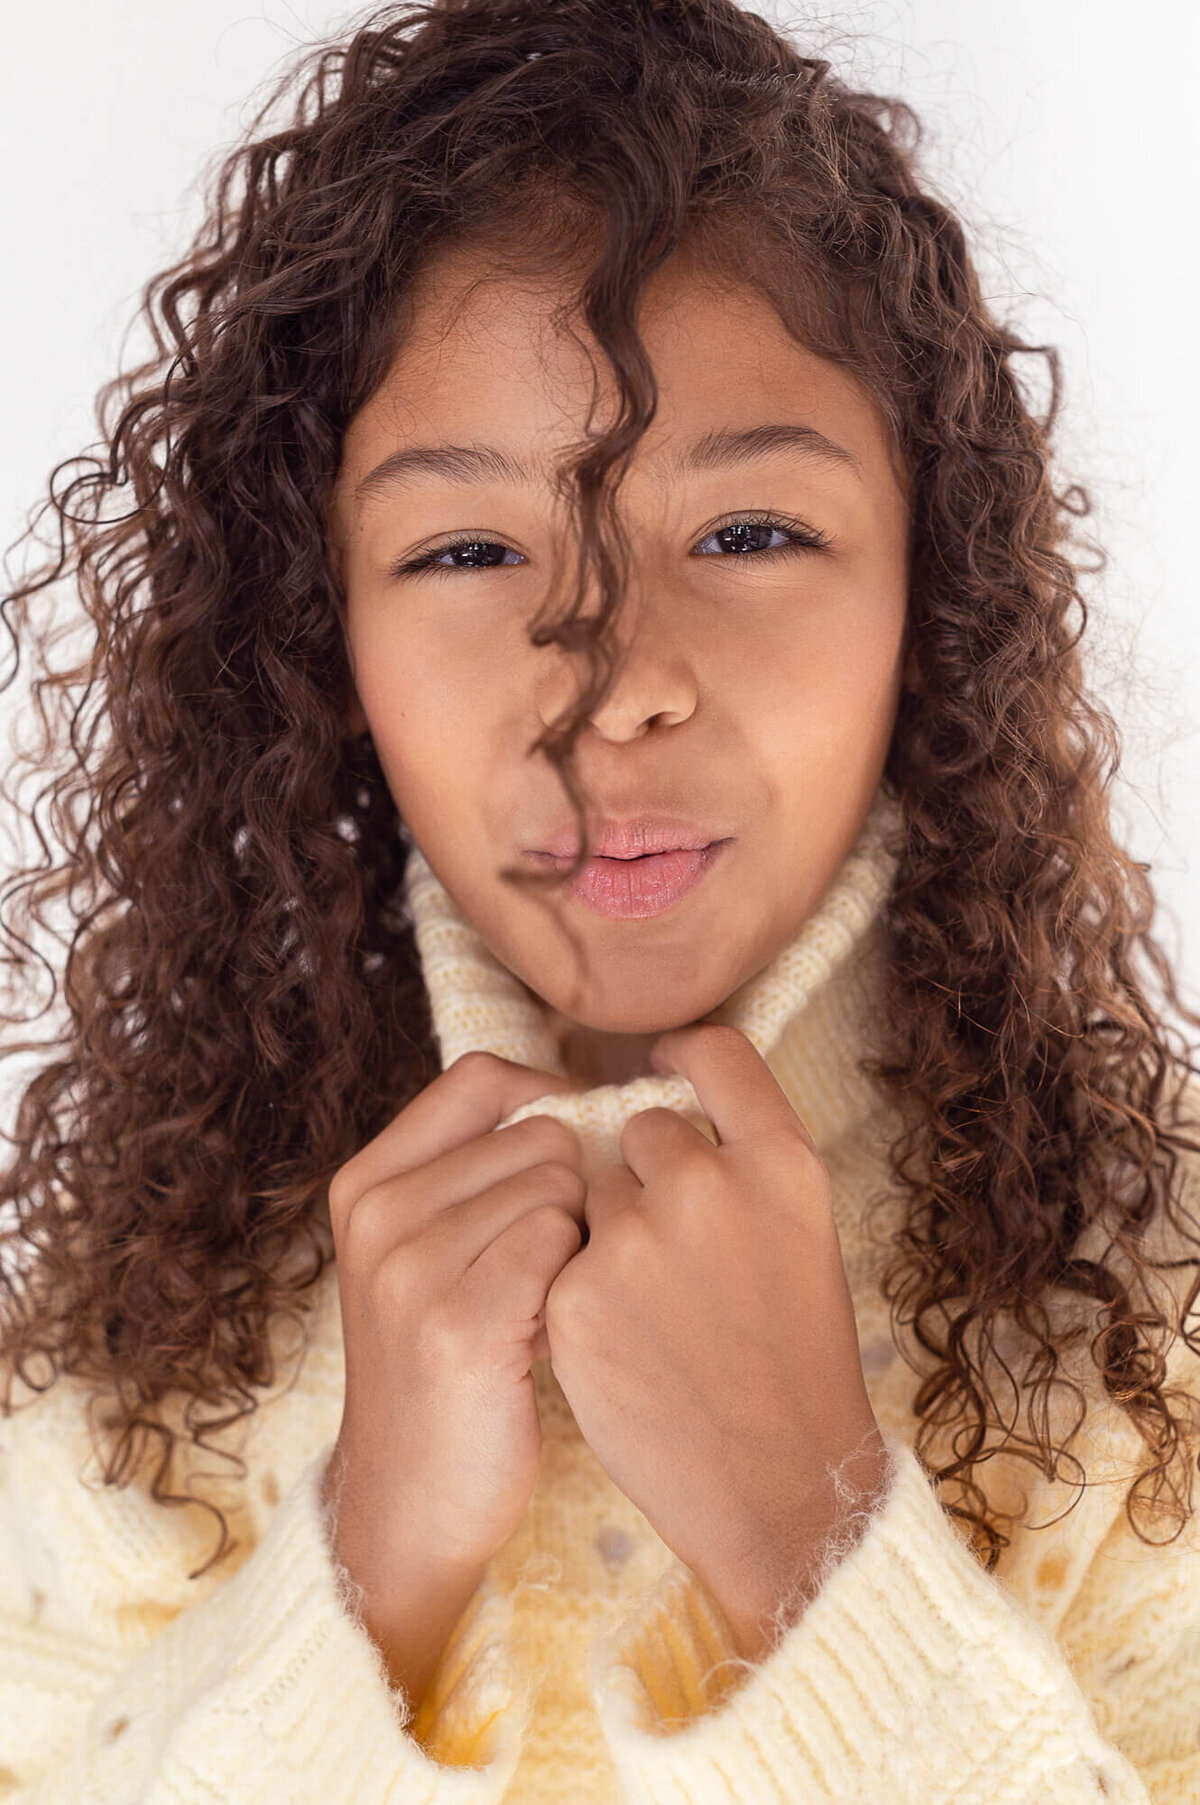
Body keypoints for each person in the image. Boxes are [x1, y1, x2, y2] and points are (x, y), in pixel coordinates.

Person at [1, 1, 1197, 1798]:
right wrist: (368, 1555)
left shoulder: (1150, 1316)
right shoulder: (145, 1343)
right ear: (318, 646)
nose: (607, 678)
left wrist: (814, 1538)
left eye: (747, 533)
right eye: (469, 550)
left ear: (930, 604)